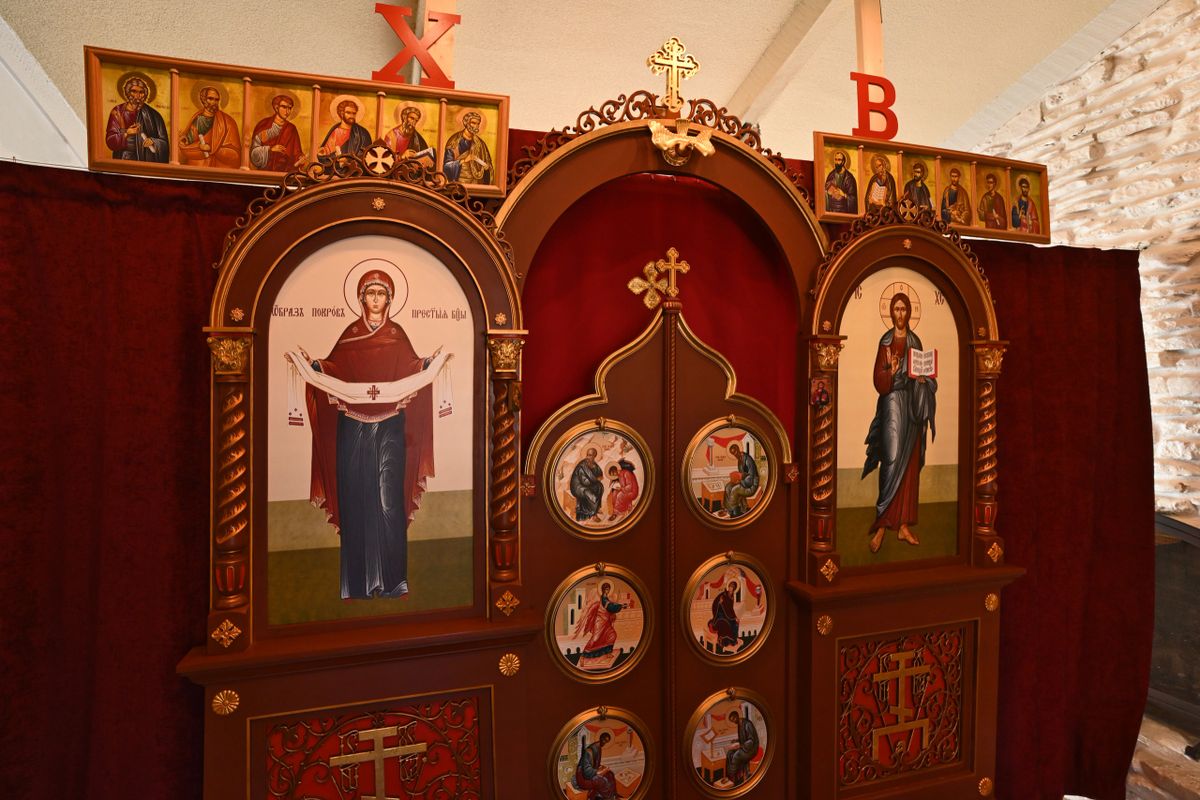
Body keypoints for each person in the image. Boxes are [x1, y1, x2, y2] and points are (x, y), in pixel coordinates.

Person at [289, 270, 450, 599]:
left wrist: (427, 364)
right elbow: (334, 367)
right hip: (354, 427)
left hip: (391, 427)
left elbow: (411, 366)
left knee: (389, 500)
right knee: (356, 499)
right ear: (361, 298)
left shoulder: (397, 335)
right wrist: (317, 367)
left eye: (381, 294)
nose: (375, 299)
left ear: (389, 299)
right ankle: (358, 584)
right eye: (370, 293)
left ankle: (393, 580)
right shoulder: (349, 335)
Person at [862, 293, 937, 554]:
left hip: (912, 407)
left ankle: (903, 526)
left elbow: (924, 372)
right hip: (892, 403)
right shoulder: (885, 342)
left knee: (910, 463)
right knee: (892, 460)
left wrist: (923, 381)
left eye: (905, 309)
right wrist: (891, 371)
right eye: (897, 309)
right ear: (892, 313)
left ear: (909, 312)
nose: (901, 314)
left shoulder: (915, 341)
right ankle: (882, 525)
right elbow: (878, 380)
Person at [104, 75, 168, 162]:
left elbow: (165, 143)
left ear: (145, 95)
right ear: (127, 92)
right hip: (124, 160)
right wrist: (127, 133)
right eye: (133, 91)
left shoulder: (154, 115)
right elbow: (110, 141)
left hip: (146, 161)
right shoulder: (117, 112)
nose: (137, 95)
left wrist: (153, 141)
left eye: (141, 92)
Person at [179, 86, 241, 168]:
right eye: (210, 99)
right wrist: (185, 141)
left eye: (216, 99)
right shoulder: (197, 119)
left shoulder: (228, 122)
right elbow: (188, 144)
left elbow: (235, 154)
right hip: (197, 167)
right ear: (203, 100)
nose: (214, 102)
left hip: (219, 168)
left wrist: (212, 148)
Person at [249, 94, 305, 172]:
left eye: (289, 108)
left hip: (285, 172)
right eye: (284, 107)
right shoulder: (263, 125)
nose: (287, 111)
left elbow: (296, 152)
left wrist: (300, 158)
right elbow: (254, 153)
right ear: (276, 107)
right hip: (265, 172)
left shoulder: (291, 129)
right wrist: (270, 149)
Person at [573, 582, 626, 663]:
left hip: (606, 622)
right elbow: (610, 607)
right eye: (606, 589)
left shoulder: (606, 598)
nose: (607, 591)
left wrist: (618, 606)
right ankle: (583, 656)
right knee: (595, 638)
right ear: (603, 590)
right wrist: (620, 606)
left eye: (608, 589)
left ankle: (607, 652)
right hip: (600, 621)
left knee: (612, 635)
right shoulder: (604, 599)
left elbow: (611, 606)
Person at [443, 110, 493, 184]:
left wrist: (486, 167)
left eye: (478, 124)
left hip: (476, 182)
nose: (476, 126)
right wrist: (464, 160)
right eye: (473, 123)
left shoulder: (481, 144)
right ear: (465, 122)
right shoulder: (454, 141)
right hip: (459, 182)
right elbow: (446, 166)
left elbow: (488, 164)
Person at [574, 732, 617, 800]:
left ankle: (613, 796)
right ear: (600, 738)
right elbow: (587, 772)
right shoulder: (589, 751)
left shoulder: (598, 747)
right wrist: (601, 771)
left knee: (610, 774)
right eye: (604, 740)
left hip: (591, 774)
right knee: (602, 780)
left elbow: (595, 764)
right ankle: (608, 798)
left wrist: (602, 767)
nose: (604, 743)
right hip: (583, 778)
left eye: (606, 741)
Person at [722, 442, 759, 518]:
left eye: (735, 452)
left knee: (735, 489)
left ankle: (734, 512)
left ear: (738, 449)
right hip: (743, 482)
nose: (735, 455)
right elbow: (741, 474)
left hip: (751, 485)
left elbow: (750, 478)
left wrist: (740, 479)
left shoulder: (748, 460)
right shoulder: (739, 460)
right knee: (728, 486)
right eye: (733, 453)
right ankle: (729, 509)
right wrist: (737, 479)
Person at [725, 710, 760, 786]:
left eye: (733, 719)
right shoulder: (739, 724)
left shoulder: (747, 724)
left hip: (752, 749)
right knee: (730, 753)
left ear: (737, 716)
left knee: (737, 754)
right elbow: (744, 739)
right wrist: (736, 740)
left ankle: (731, 777)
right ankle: (735, 776)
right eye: (732, 721)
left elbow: (751, 741)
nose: (733, 722)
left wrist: (740, 746)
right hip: (745, 747)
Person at [571, 448, 604, 522]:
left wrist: (598, 477)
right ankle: (593, 514)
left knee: (600, 487)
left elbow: (600, 473)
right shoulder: (582, 466)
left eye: (590, 455)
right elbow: (584, 481)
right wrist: (596, 479)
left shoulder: (593, 464)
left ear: (594, 456)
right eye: (588, 455)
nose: (588, 457)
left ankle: (596, 508)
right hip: (578, 487)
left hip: (588, 484)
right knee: (590, 493)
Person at [708, 581, 740, 652]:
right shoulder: (723, 595)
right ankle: (724, 642)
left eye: (732, 587)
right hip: (720, 614)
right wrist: (719, 602)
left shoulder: (732, 597)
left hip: (729, 615)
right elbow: (716, 604)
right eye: (730, 586)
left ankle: (732, 641)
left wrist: (735, 617)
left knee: (735, 623)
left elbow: (731, 609)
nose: (730, 588)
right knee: (724, 623)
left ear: (734, 589)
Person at [824, 149, 858, 213]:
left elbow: (853, 199)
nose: (837, 162)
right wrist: (828, 192)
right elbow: (826, 190)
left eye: (839, 160)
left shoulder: (849, 178)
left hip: (844, 210)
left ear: (843, 162)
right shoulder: (831, 175)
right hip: (832, 209)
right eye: (836, 159)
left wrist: (844, 195)